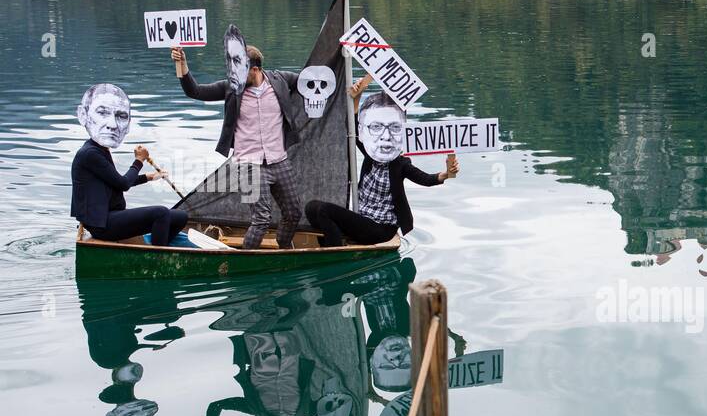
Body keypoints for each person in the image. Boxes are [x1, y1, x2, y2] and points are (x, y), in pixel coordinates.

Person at [171, 26, 304, 250]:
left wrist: (347, 84)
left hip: (279, 160)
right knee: (261, 220)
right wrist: (181, 63)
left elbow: (315, 82)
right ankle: (243, 261)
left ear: (254, 69)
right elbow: (195, 91)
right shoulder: (231, 88)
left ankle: (284, 249)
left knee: (294, 212)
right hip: (248, 164)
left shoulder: (281, 80)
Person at [303, 74, 457, 247]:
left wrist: (447, 174)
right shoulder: (371, 153)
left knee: (324, 210)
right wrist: (357, 97)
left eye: (392, 128)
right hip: (362, 220)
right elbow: (354, 127)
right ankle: (334, 241)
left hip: (381, 229)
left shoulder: (400, 164)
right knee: (311, 207)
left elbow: (426, 179)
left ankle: (335, 251)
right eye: (378, 128)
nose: (385, 138)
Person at [70, 83, 187, 246]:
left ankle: (159, 246)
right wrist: (139, 160)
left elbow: (117, 182)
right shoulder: (90, 153)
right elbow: (124, 184)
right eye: (102, 113)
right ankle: (156, 258)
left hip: (111, 216)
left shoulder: (99, 149)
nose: (112, 124)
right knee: (160, 213)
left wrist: (149, 177)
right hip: (102, 224)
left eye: (121, 116)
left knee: (181, 216)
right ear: (84, 116)